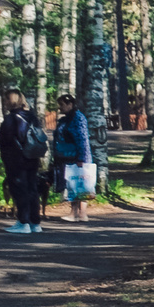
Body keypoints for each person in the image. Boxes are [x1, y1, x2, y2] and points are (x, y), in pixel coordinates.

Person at [0, 90, 47, 234]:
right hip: (32, 156)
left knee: (19, 189)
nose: (5, 103)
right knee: (32, 189)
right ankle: (35, 222)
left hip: (16, 159)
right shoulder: (32, 116)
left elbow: (6, 139)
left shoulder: (11, 119)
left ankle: (23, 222)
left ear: (10, 101)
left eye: (6, 100)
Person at [50, 94, 95, 223]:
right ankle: (77, 213)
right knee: (73, 184)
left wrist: (82, 158)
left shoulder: (77, 118)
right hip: (67, 156)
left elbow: (82, 139)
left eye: (62, 105)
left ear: (70, 104)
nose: (60, 108)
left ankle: (79, 213)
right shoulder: (66, 119)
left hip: (76, 156)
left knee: (79, 183)